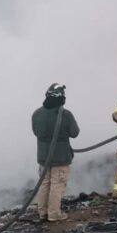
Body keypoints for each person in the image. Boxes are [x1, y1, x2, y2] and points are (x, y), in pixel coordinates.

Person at [31, 83, 80, 222]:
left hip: (43, 158)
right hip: (61, 158)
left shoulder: (37, 113)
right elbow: (74, 133)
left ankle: (43, 213)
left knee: (44, 184)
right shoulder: (65, 115)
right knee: (57, 186)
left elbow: (36, 132)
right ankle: (54, 214)